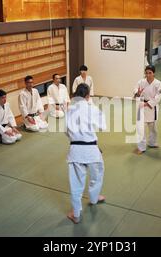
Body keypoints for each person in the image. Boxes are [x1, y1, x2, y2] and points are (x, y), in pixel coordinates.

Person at [65, 83, 106, 224]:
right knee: (97, 175)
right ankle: (94, 198)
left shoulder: (69, 109)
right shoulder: (92, 108)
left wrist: (77, 137)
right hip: (92, 149)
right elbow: (103, 126)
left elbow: (66, 131)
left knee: (76, 183)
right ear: (88, 96)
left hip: (75, 150)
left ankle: (76, 214)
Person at [134, 65, 161, 155]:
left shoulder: (158, 83)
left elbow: (158, 97)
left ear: (154, 73)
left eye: (150, 73)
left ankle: (152, 143)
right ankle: (141, 147)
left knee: (153, 128)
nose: (148, 75)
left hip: (152, 108)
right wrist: (137, 93)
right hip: (142, 106)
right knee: (140, 128)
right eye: (146, 73)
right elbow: (135, 91)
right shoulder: (141, 82)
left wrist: (148, 103)